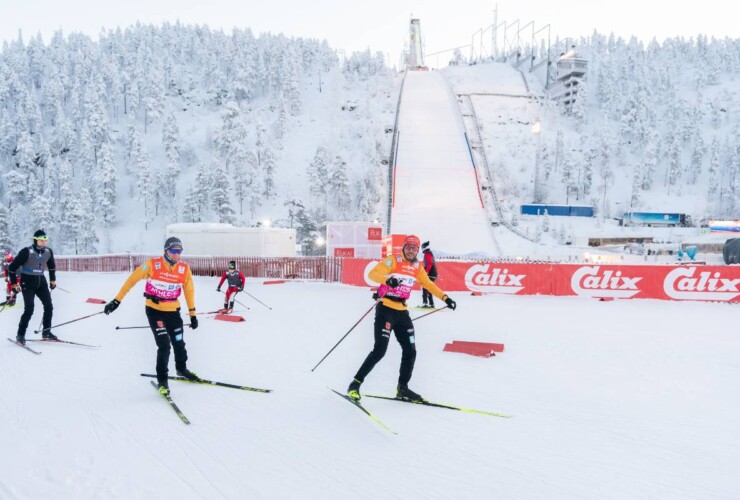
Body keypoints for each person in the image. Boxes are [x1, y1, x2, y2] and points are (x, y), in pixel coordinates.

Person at [347, 234, 456, 402]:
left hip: (402, 312)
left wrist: (445, 298)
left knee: (410, 351)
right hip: (386, 309)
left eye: (414, 248)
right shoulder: (393, 260)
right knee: (380, 350)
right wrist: (387, 279)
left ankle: (403, 388)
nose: (411, 250)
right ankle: (355, 384)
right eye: (409, 247)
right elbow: (373, 274)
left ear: (417, 250)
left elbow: (428, 284)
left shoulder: (417, 267)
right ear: (403, 248)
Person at [103, 237, 199, 396]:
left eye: (179, 251)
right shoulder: (153, 264)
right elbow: (132, 279)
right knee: (164, 346)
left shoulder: (184, 269)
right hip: (155, 311)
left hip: (173, 310)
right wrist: (116, 300)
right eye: (174, 251)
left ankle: (182, 369)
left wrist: (193, 314)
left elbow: (189, 291)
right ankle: (163, 381)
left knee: (179, 342)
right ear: (166, 250)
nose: (177, 255)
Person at [8, 230, 58, 343]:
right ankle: (20, 335)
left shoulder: (48, 251)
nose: (44, 242)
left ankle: (46, 331)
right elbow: (12, 267)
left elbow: (51, 267)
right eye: (41, 240)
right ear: (36, 240)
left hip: (41, 282)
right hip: (27, 282)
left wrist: (53, 280)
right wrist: (14, 284)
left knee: (49, 306)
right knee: (29, 309)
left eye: (45, 240)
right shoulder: (26, 251)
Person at [420, 241, 438, 308]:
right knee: (429, 288)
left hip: (430, 274)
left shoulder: (427, 254)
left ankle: (425, 303)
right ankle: (431, 303)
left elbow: (429, 263)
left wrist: (426, 272)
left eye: (422, 247)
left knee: (425, 287)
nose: (421, 249)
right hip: (432, 273)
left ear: (424, 247)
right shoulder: (429, 253)